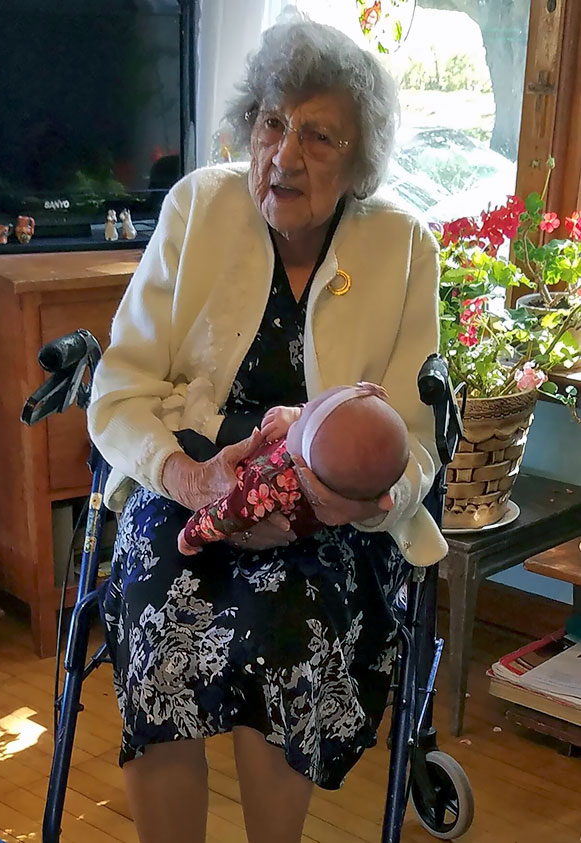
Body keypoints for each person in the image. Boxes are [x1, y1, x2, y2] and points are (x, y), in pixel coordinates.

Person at [87, 15, 448, 843]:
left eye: (318, 136)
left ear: (358, 160)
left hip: (332, 517)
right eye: (271, 122)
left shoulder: (404, 247)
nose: (284, 154)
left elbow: (415, 440)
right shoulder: (197, 208)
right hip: (185, 485)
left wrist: (354, 500)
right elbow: (119, 391)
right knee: (159, 629)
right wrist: (190, 479)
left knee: (285, 636)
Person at [177, 382, 411, 555]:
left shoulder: (271, 481)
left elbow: (228, 514)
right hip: (304, 521)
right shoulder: (332, 456)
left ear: (303, 465)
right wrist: (294, 415)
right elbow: (324, 418)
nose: (301, 411)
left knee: (195, 446)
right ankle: (207, 423)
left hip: (247, 501)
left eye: (301, 419)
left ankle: (191, 427)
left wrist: (191, 534)